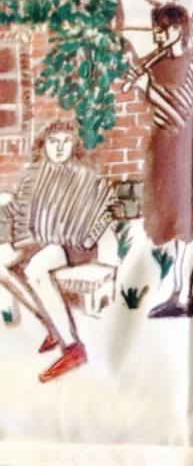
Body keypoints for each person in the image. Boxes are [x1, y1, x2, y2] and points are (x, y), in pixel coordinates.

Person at [0, 121, 120, 382]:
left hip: (72, 247)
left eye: (65, 143)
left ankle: (73, 348)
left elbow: (104, 209)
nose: (59, 148)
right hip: (38, 241)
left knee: (37, 268)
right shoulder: (33, 175)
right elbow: (19, 209)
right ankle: (51, 325)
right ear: (43, 146)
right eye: (53, 142)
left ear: (73, 146)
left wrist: (95, 223)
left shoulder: (84, 176)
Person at [125, 3, 193, 318]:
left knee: (190, 222)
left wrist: (149, 90)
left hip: (191, 147)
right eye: (156, 31)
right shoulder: (156, 65)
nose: (158, 36)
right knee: (175, 223)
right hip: (165, 149)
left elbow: (184, 114)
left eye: (162, 30)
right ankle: (179, 293)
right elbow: (165, 113)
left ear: (179, 28)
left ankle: (185, 296)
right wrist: (145, 86)